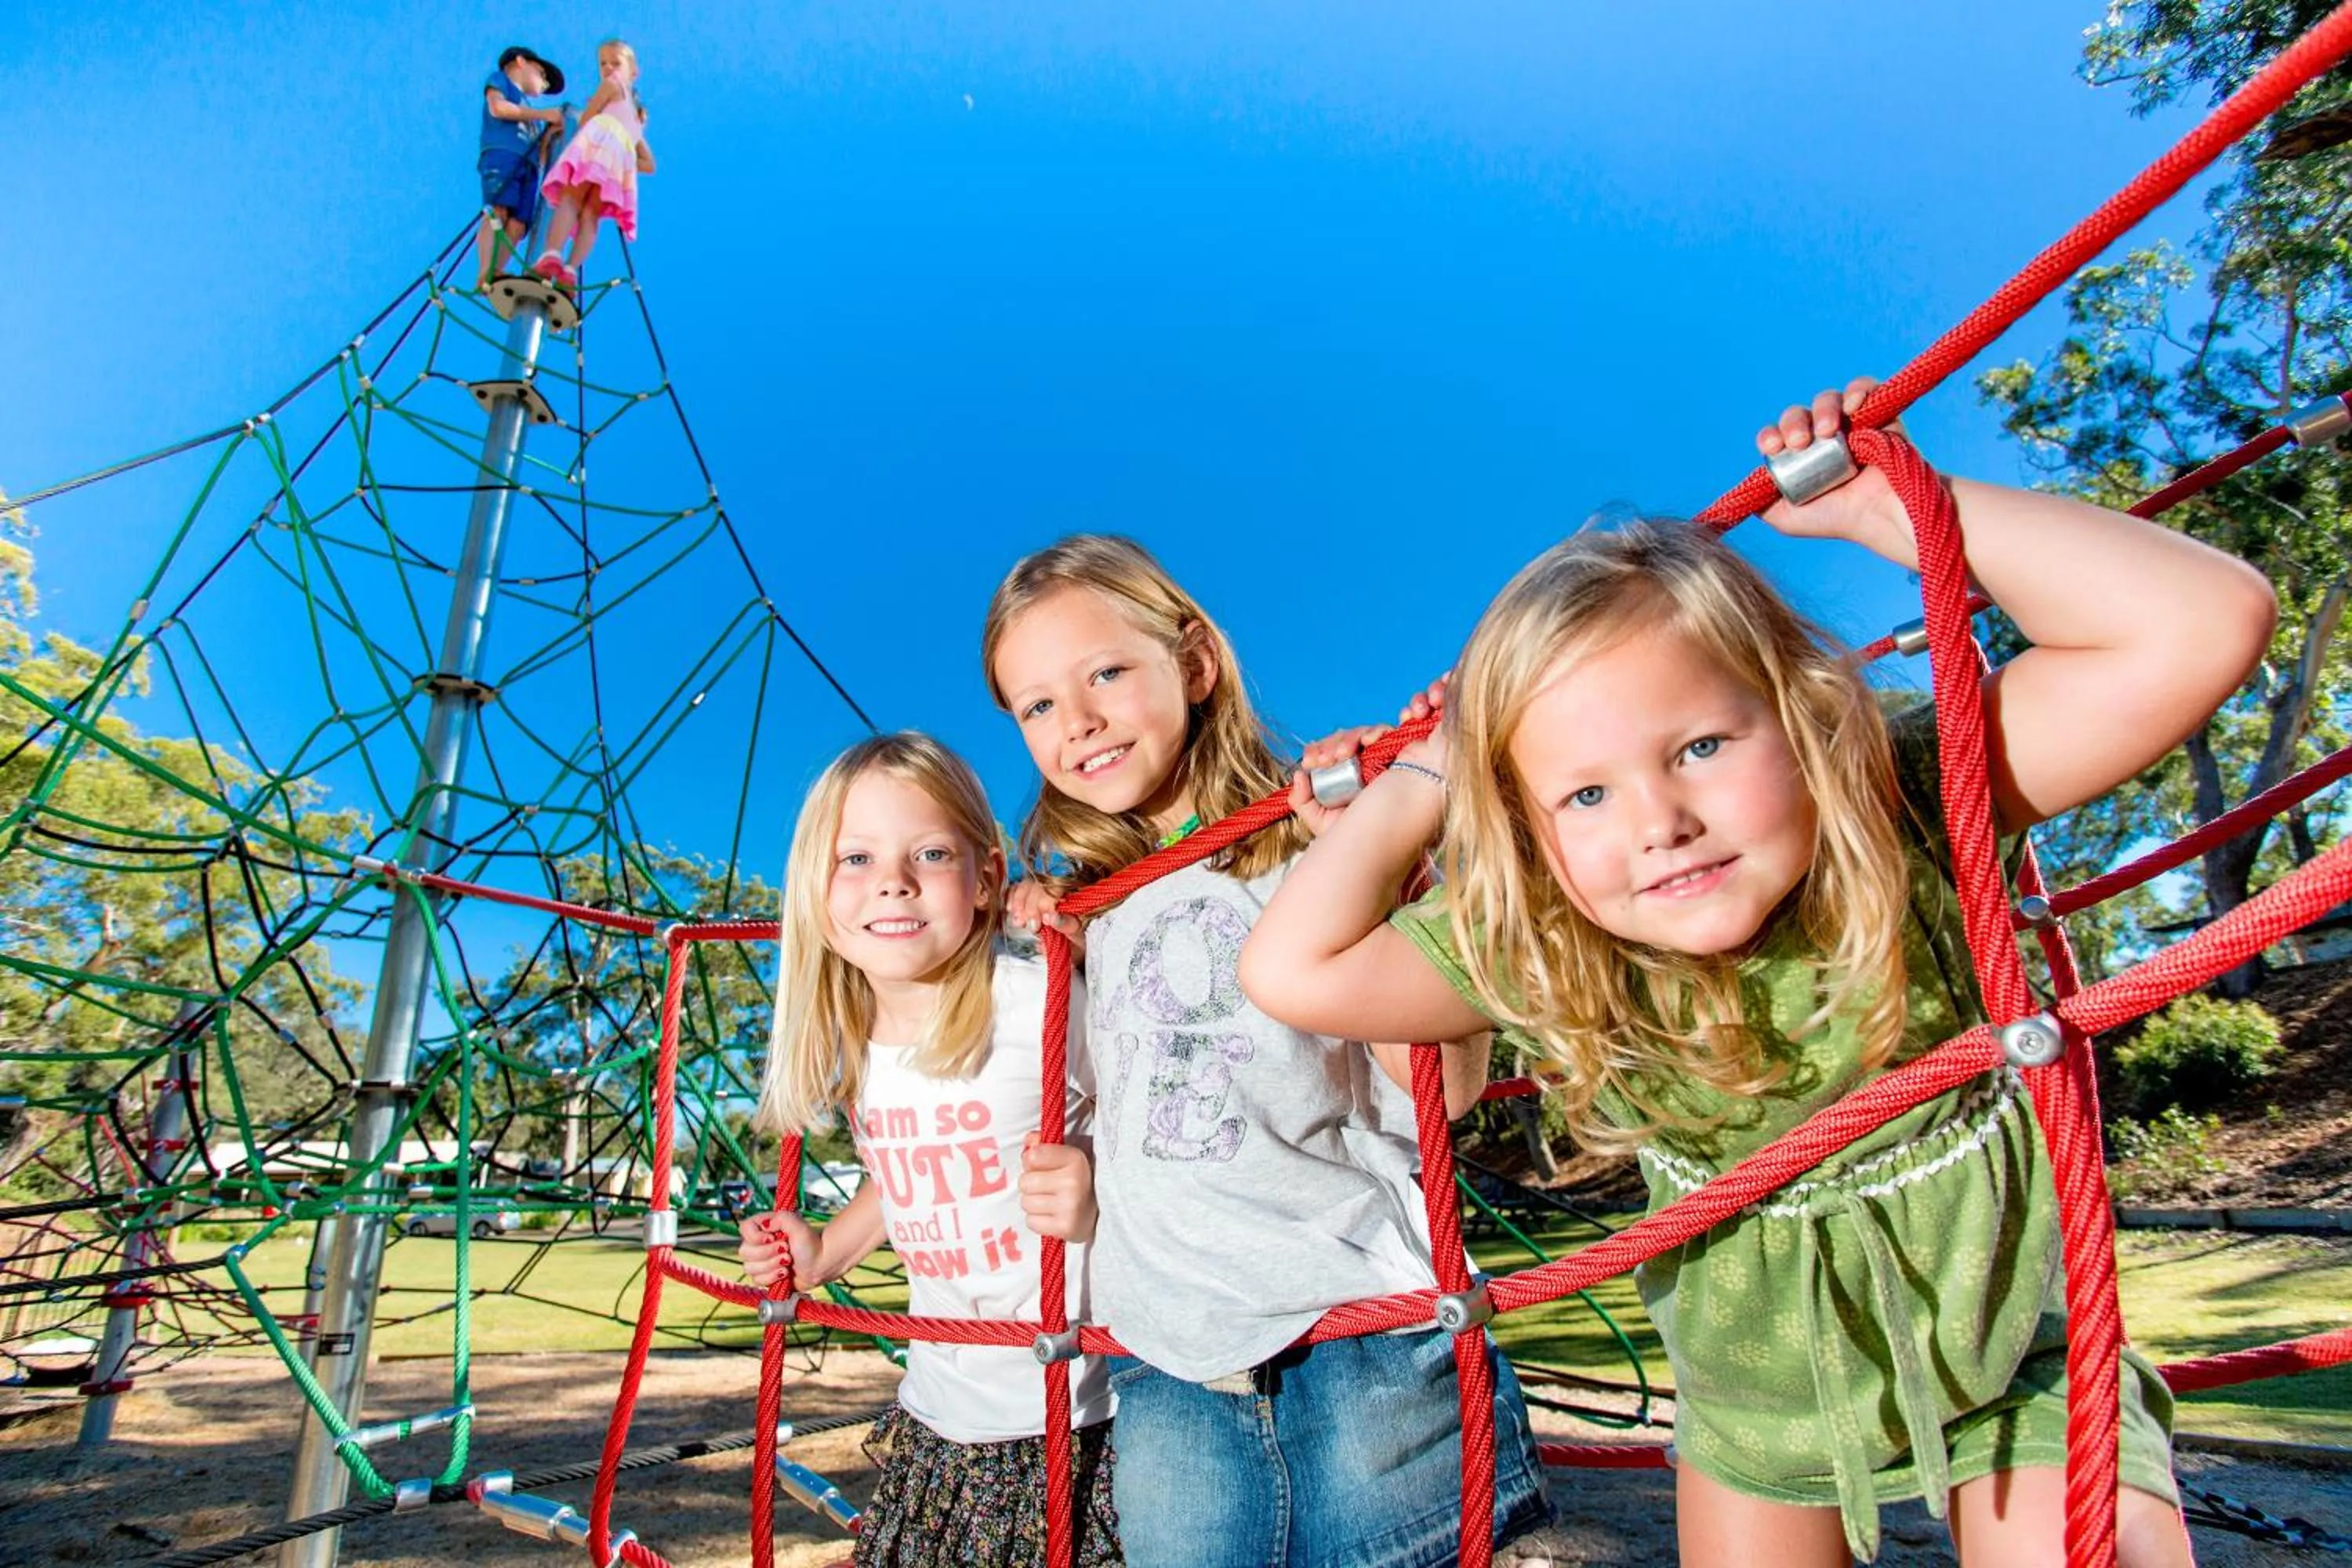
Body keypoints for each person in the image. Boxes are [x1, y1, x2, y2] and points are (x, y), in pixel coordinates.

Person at [1240, 379, 2278, 1566]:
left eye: (1700, 745)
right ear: (1531, 835)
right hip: (1757, 1414)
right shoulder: (1561, 936)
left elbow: (2201, 621)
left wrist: (1902, 514)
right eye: (1586, 793)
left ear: (1800, 716)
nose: (1660, 822)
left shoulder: (1894, 805)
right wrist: (1426, 777)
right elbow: (1293, 969)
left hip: (2010, 1369)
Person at [983, 535, 1556, 1568]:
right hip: (1169, 1368)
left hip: (1361, 1345)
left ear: (1195, 663)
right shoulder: (1093, 914)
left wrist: (1387, 856)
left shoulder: (1311, 847)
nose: (1078, 720)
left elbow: (1446, 1092)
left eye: (1106, 672)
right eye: (1036, 705)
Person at [739, 732, 1120, 1566]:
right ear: (814, 891)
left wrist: (1100, 1187)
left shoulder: (1038, 1001)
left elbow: (1161, 1122)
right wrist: (825, 1250)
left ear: (986, 879)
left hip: (1081, 1406)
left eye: (932, 853)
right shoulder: (859, 1048)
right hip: (942, 1408)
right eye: (856, 858)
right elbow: (902, 1176)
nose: (894, 880)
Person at [534, 38, 656, 288]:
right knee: (591, 215)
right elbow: (649, 165)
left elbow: (587, 119)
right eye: (603, 64)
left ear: (633, 71)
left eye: (615, 63)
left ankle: (552, 253)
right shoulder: (636, 122)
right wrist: (622, 159)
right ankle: (571, 269)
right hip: (618, 165)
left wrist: (580, 129)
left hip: (598, 143)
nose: (608, 68)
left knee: (571, 198)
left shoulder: (612, 85)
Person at [476, 45, 567, 292]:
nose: (544, 83)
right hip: (504, 153)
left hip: (529, 168)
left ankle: (497, 270)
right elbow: (498, 108)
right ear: (520, 61)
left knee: (519, 224)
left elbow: (541, 156)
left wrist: (550, 135)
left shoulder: (534, 116)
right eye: (542, 74)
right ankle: (486, 269)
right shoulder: (501, 82)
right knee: (498, 210)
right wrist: (544, 115)